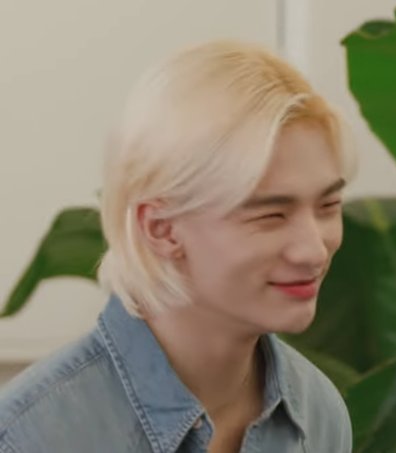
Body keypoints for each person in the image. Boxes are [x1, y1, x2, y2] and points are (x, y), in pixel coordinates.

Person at [0, 40, 355, 452]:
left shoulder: (318, 414)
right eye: (270, 215)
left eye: (328, 206)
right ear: (161, 229)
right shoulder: (32, 436)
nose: (314, 250)